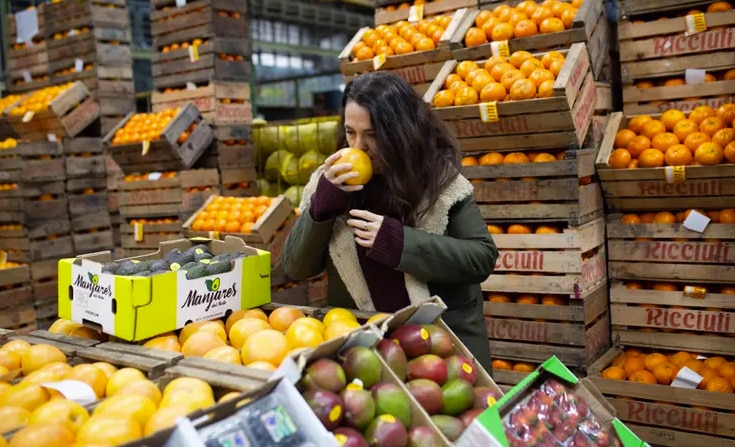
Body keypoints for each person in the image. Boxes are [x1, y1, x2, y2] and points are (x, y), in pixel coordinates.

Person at [281, 71, 498, 372]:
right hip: (366, 352)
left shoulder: (439, 181)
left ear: (401, 132)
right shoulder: (332, 179)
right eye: (350, 132)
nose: (358, 147)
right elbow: (295, 266)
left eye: (372, 135)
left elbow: (481, 257)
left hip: (441, 345)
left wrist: (400, 244)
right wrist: (323, 206)